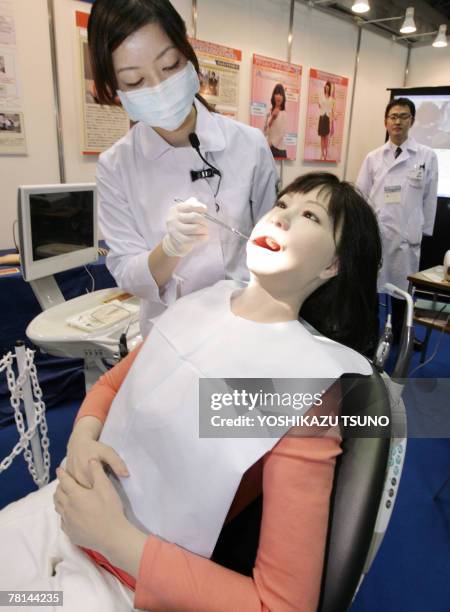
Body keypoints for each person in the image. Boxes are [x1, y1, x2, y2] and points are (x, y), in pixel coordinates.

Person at [0, 172, 382, 611]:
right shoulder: (202, 303)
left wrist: (116, 539)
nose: (282, 218)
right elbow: (111, 385)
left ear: (332, 265)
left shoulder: (306, 384)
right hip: (64, 507)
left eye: (310, 215)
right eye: (282, 206)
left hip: (124, 581)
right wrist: (84, 438)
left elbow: (283, 605)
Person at [88, 0, 278, 336]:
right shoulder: (117, 165)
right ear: (116, 90)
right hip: (168, 336)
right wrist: (169, 249)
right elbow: (127, 272)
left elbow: (274, 243)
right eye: (134, 81)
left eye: (170, 65)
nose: (158, 88)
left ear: (187, 55)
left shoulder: (249, 145)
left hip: (247, 328)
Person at [356, 97, 438, 344]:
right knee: (372, 289)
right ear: (385, 121)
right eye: (393, 116)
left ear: (411, 121)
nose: (397, 122)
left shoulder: (426, 156)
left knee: (403, 293)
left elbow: (429, 197)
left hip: (405, 236)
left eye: (403, 116)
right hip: (378, 234)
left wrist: (422, 231)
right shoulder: (373, 157)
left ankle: (404, 337)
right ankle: (371, 335)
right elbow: (361, 194)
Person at [264, 83, 288, 159]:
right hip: (268, 148)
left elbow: (282, 134)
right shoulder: (268, 112)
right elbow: (265, 132)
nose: (279, 96)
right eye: (277, 93)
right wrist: (272, 118)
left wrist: (271, 144)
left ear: (283, 98)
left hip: (279, 150)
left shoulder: (284, 114)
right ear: (273, 96)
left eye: (281, 94)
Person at [317, 81, 335, 161]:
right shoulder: (321, 96)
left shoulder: (331, 99)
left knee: (326, 137)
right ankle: (322, 153)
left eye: (328, 86)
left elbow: (331, 110)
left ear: (330, 88)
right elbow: (319, 105)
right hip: (322, 117)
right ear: (325, 87)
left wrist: (331, 120)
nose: (327, 87)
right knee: (322, 137)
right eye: (326, 86)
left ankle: (326, 153)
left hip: (327, 118)